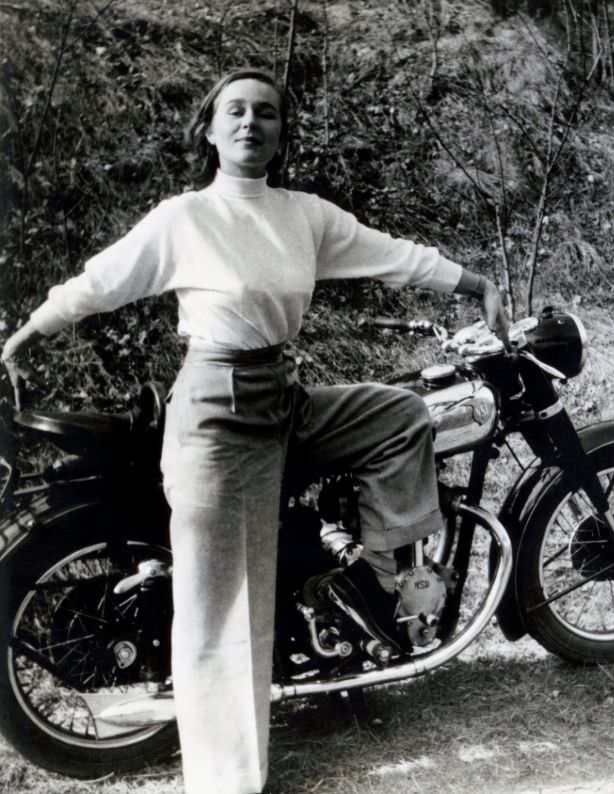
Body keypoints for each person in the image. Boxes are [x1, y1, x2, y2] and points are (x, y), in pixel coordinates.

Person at [1, 68, 509, 794]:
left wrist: (473, 283)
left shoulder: (302, 215)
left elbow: (392, 254)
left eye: (266, 114)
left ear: (280, 134)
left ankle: (379, 579)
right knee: (223, 607)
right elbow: (100, 281)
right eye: (235, 112)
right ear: (208, 129)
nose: (250, 124)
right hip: (216, 412)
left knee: (400, 414)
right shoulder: (185, 218)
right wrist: (28, 331)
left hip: (284, 397)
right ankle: (229, 783)